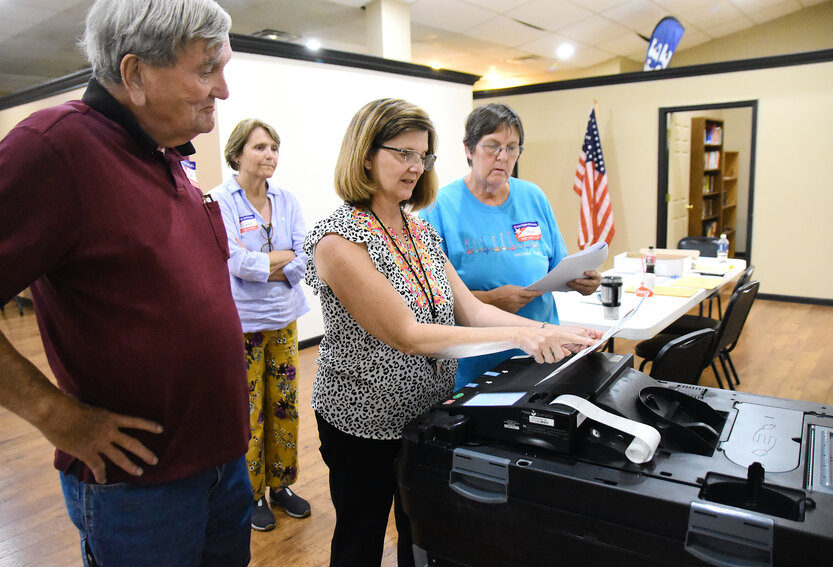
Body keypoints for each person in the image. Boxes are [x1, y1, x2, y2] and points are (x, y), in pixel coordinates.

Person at [0, 1, 253, 565]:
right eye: (207, 69)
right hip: (140, 488)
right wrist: (56, 416)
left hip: (220, 465)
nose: (224, 90)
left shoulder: (161, 153)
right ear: (135, 74)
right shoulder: (55, 147)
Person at [303, 98, 603, 567]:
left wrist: (551, 331)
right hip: (363, 421)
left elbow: (473, 312)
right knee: (360, 538)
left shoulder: (418, 229)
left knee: (420, 527)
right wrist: (525, 338)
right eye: (402, 153)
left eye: (422, 156)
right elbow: (408, 334)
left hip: (428, 410)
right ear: (365, 154)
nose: (415, 167)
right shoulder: (339, 238)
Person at [420, 103, 602, 389]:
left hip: (543, 354)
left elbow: (557, 267)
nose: (503, 157)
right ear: (469, 149)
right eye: (492, 147)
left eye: (512, 147)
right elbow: (431, 301)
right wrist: (492, 299)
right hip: (477, 362)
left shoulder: (533, 196)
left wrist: (581, 279)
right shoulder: (438, 208)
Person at [209, 119, 311, 531]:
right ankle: (250, 493)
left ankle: (281, 485)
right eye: (260, 148)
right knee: (249, 412)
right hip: (243, 323)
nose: (269, 155)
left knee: (284, 405)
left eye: (274, 148)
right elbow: (235, 262)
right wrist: (278, 260)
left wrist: (272, 264)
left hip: (283, 319)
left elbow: (303, 257)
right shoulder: (220, 201)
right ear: (237, 154)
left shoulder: (287, 199)